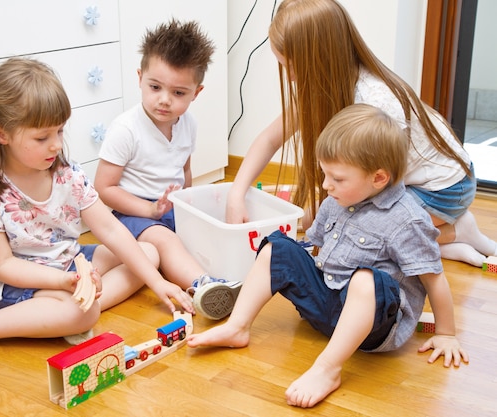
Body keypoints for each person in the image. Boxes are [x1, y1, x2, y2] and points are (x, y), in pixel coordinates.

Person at [188, 103, 469, 408]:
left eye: (337, 178)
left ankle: (327, 369)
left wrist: (446, 333)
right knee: (278, 248)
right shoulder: (335, 201)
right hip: (328, 308)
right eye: (325, 174)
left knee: (365, 280)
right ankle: (237, 327)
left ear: (378, 178)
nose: (325, 185)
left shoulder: (408, 220)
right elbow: (313, 248)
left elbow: (434, 279)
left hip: (374, 329)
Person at [0, 57, 194, 366]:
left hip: (66, 263)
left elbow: (110, 228)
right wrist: (61, 283)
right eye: (42, 137)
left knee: (147, 253)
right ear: (1, 135)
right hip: (10, 284)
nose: (56, 146)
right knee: (78, 311)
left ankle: (71, 312)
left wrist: (158, 283)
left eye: (60, 132)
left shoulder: (66, 174)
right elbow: (4, 266)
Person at [226, 0, 497, 267]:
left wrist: (329, 220)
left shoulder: (375, 101)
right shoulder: (323, 84)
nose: (292, 78)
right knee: (328, 222)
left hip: (443, 188)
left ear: (318, 58)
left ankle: (455, 232)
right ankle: (441, 239)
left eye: (291, 67)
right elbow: (269, 138)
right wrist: (236, 194)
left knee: (355, 235)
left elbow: (384, 189)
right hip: (399, 180)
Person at [94, 19, 241, 320]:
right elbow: (104, 189)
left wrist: (190, 206)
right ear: (140, 78)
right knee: (166, 241)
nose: (164, 100)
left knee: (206, 229)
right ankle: (204, 287)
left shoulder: (188, 124)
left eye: (178, 93)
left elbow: (184, 171)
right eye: (155, 87)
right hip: (133, 215)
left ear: (196, 93)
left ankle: (220, 273)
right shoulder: (126, 129)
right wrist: (149, 211)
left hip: (171, 209)